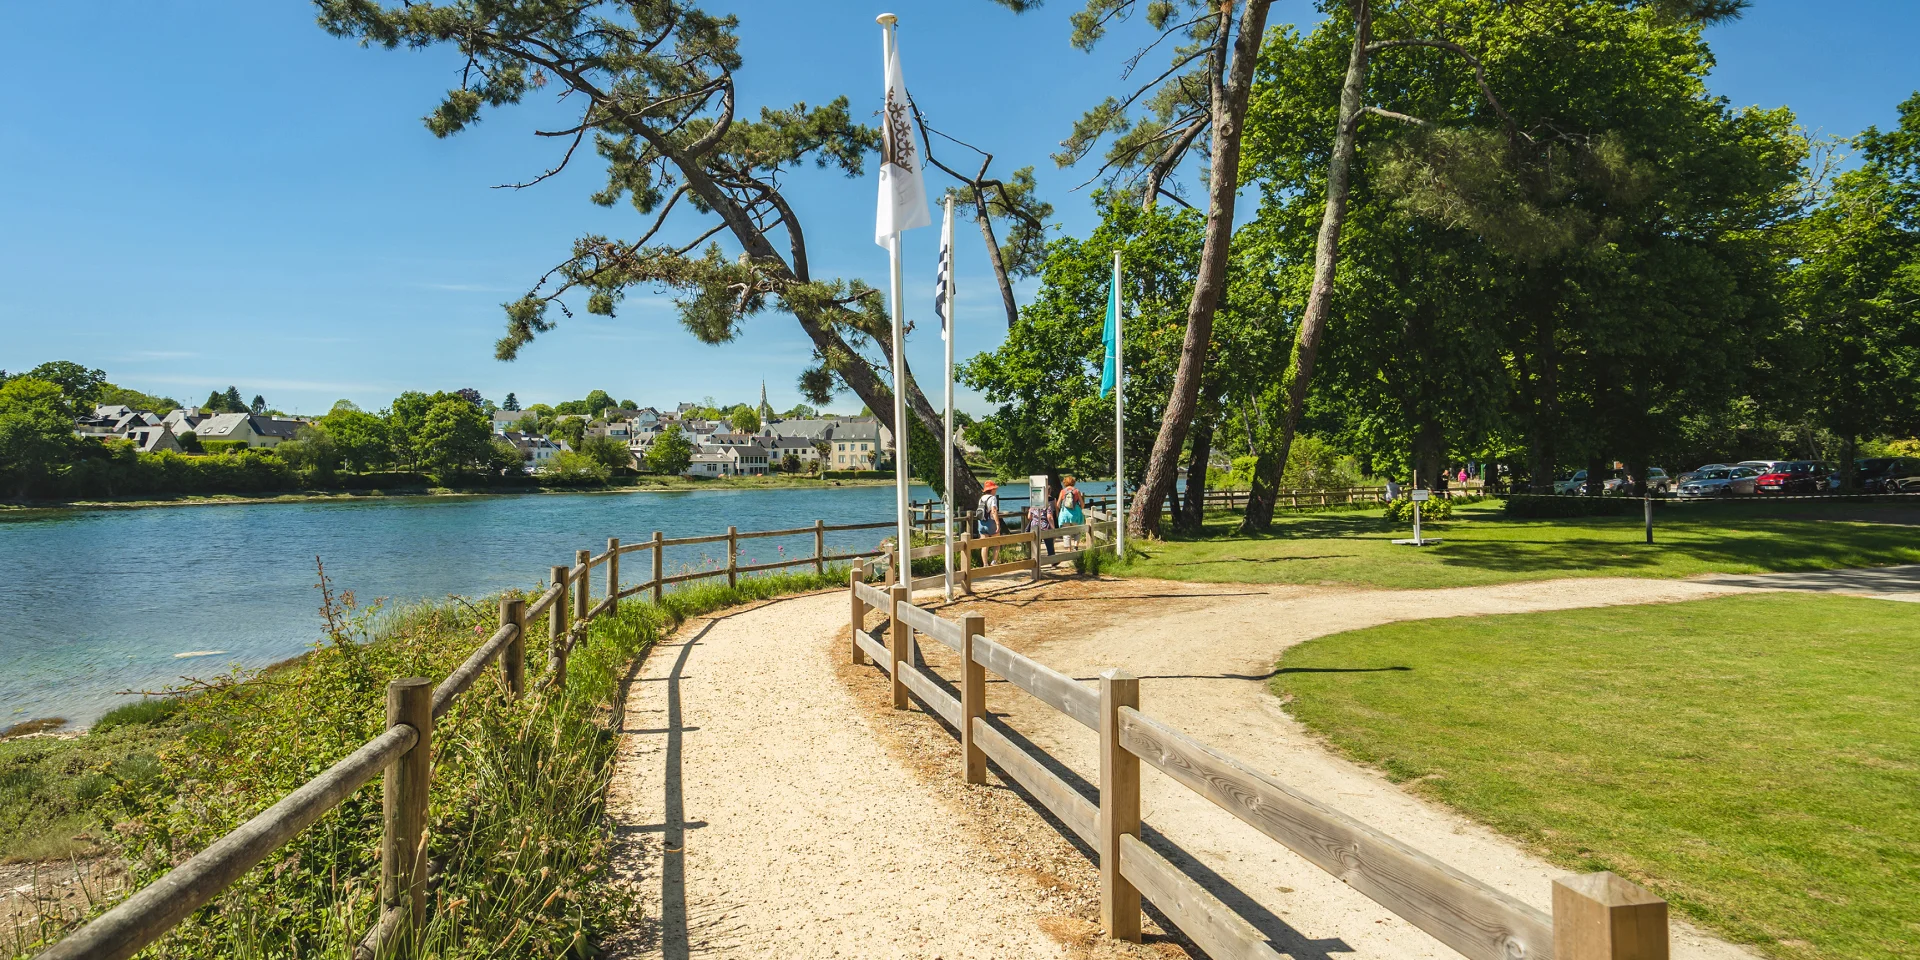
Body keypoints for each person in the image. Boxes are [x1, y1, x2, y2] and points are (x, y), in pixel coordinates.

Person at [1029, 475, 1057, 561]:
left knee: (1035, 545)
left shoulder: (1034, 504)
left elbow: (1029, 516)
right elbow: (1049, 516)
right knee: (1049, 544)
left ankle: (1034, 560)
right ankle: (1053, 560)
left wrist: (1035, 519)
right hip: (1044, 526)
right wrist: (1053, 528)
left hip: (1034, 526)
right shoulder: (1046, 504)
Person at [976, 480, 1003, 566]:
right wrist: (997, 524)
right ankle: (994, 561)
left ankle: (985, 564)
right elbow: (994, 511)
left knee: (984, 545)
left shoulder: (981, 498)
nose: (996, 490)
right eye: (995, 489)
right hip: (990, 522)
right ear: (992, 490)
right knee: (997, 542)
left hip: (981, 523)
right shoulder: (992, 498)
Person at [1056, 475, 1086, 550]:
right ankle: (1075, 547)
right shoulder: (1076, 491)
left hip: (1065, 515)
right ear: (1073, 482)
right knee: (1077, 531)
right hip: (1076, 514)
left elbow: (1057, 505)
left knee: (1066, 533)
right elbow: (1082, 505)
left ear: (1065, 482)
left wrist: (1061, 510)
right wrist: (1079, 509)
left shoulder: (1062, 491)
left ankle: (1069, 550)